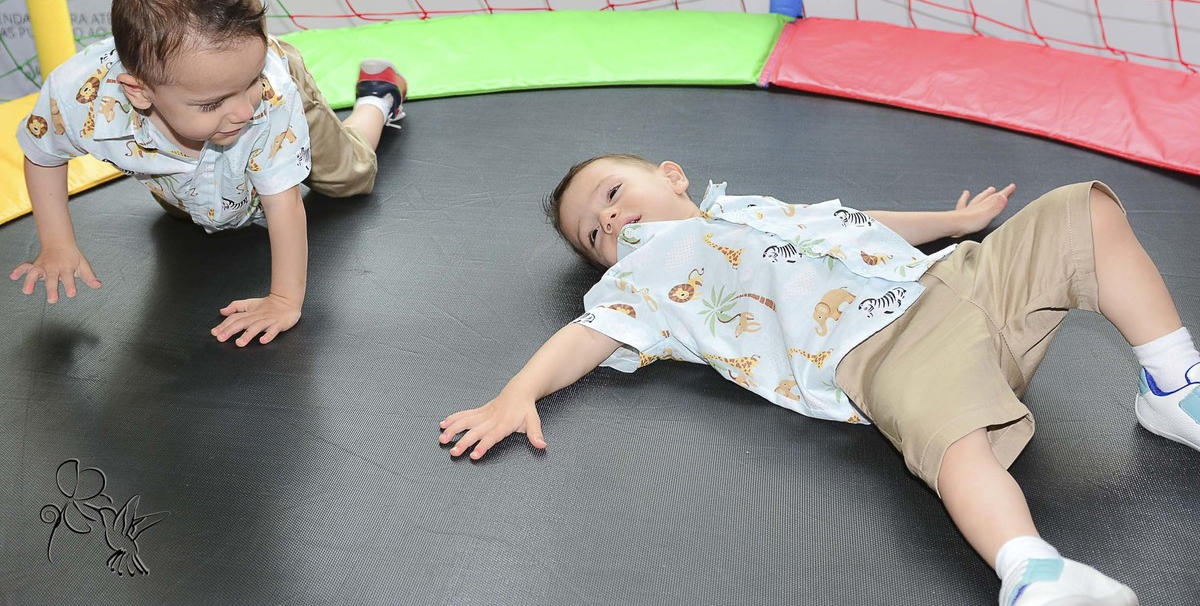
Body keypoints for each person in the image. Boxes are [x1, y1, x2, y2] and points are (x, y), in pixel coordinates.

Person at [439, 153, 1200, 606]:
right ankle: (1033, 570)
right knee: (958, 448)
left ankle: (1172, 386)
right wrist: (520, 391)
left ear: (670, 175)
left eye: (612, 195)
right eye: (594, 236)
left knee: (1083, 211)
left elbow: (852, 222)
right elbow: (586, 334)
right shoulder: (647, 276)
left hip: (953, 281)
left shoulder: (750, 209)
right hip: (883, 350)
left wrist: (948, 222)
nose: (611, 224)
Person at [10, 0, 407, 347]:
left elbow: (283, 202)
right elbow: (44, 154)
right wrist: (57, 243)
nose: (240, 111)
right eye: (213, 103)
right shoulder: (79, 97)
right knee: (197, 214)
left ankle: (379, 97)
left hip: (281, 93)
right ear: (140, 93)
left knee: (350, 177)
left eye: (245, 86)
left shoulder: (266, 97)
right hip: (189, 155)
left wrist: (284, 299)